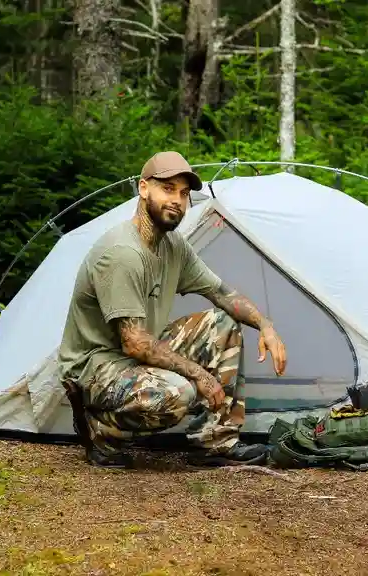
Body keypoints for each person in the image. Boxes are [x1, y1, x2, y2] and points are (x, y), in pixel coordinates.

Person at [56, 151, 287, 468]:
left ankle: (216, 442)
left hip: (134, 354)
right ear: (143, 188)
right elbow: (134, 343)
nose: (177, 200)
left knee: (222, 325)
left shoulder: (173, 246)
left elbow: (221, 293)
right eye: (167, 189)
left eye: (183, 193)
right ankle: (100, 430)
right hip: (96, 367)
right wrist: (199, 374)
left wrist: (265, 325)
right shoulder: (122, 253)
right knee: (179, 393)